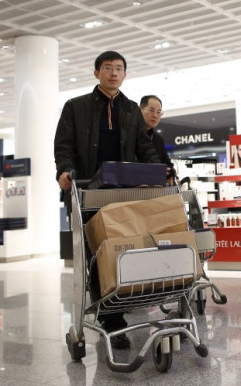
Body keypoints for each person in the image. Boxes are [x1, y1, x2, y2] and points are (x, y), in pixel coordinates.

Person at [54, 50, 161, 348]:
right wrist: (65, 171)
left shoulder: (130, 110)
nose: (113, 73)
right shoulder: (75, 107)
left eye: (119, 69)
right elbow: (63, 147)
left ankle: (115, 309)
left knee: (123, 252)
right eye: (107, 68)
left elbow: (144, 146)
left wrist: (158, 172)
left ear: (125, 74)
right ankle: (112, 320)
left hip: (122, 193)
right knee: (96, 256)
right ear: (96, 73)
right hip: (87, 191)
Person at [140, 95, 176, 185]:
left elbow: (166, 162)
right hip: (132, 191)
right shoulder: (129, 135)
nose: (155, 115)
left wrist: (170, 172)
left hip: (156, 190)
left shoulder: (158, 139)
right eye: (151, 110)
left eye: (159, 112)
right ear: (140, 110)